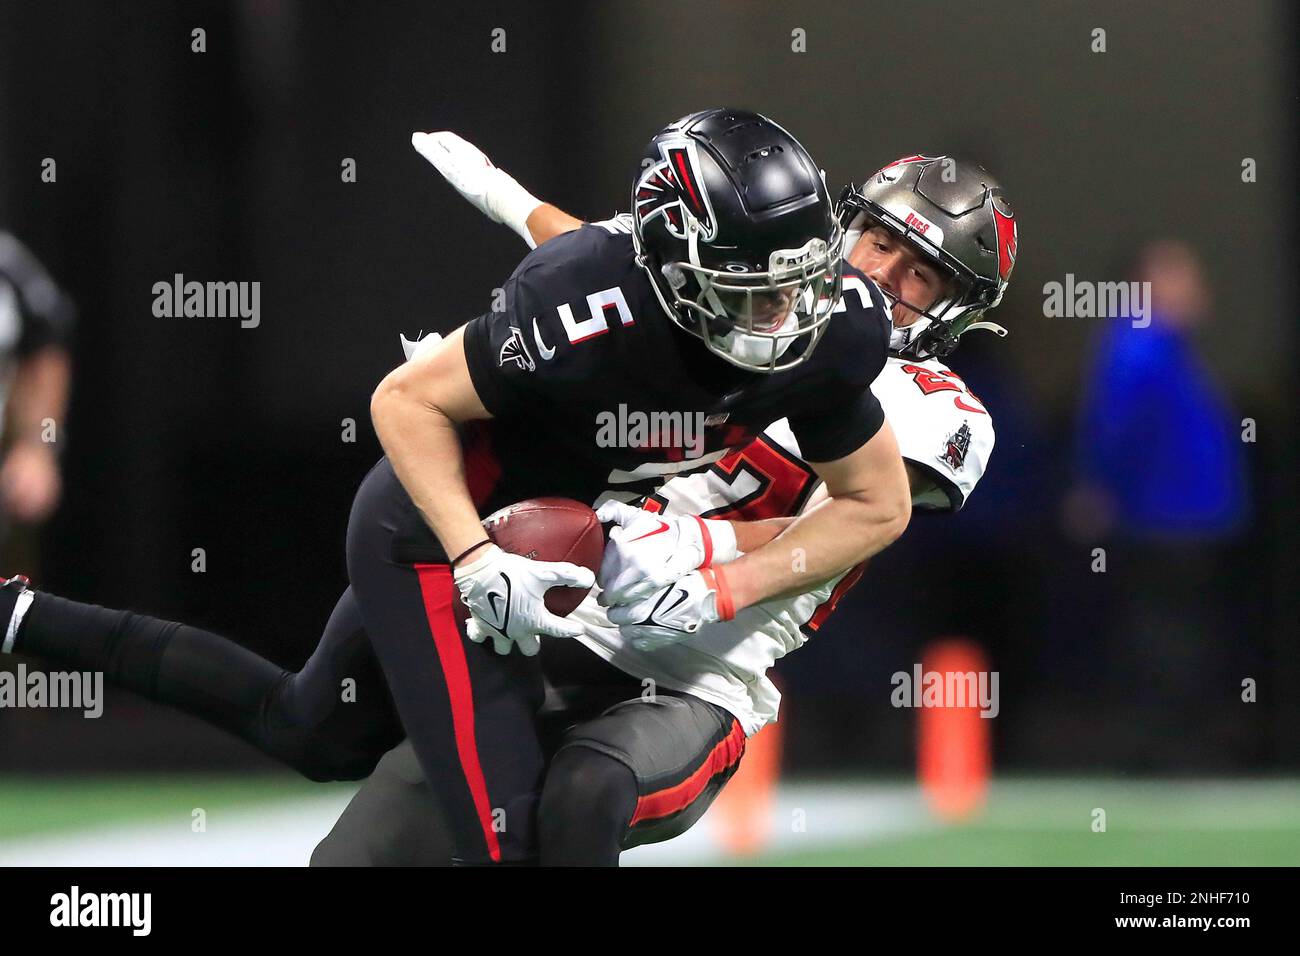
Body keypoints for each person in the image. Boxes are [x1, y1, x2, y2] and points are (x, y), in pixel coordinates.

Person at [1, 108, 913, 865]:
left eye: (796, 286)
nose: (783, 318)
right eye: (752, 293)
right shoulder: (579, 305)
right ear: (673, 266)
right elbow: (401, 402)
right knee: (505, 835)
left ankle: (19, 620)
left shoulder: (827, 326)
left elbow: (878, 502)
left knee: (313, 729)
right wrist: (474, 555)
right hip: (432, 530)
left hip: (544, 531)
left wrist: (723, 583)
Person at [308, 139, 1020, 865]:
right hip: (571, 613)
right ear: (846, 227)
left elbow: (856, 518)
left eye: (921, 275)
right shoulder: (761, 312)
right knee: (360, 852)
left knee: (585, 792)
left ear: (959, 308)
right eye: (878, 241)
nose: (883, 274)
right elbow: (627, 275)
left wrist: (704, 568)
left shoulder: (940, 411)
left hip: (698, 672)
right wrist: (509, 204)